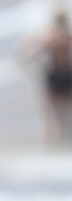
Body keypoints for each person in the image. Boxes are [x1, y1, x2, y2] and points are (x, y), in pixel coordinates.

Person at [26, 8, 72, 143]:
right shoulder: (68, 36)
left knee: (51, 115)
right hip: (67, 73)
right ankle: (66, 142)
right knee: (67, 112)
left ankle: (52, 146)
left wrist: (37, 65)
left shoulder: (50, 37)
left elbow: (32, 54)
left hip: (54, 74)